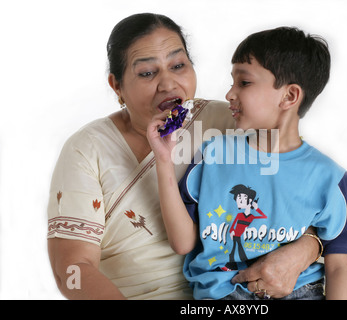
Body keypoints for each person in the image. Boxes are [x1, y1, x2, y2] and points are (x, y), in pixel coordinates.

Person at [47, 13, 321, 300]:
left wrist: (306, 249)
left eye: (178, 65)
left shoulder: (229, 122)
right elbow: (71, 269)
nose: (168, 83)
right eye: (147, 73)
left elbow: (310, 195)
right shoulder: (87, 149)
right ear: (117, 86)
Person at [147, 26, 347, 300]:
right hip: (222, 297)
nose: (229, 93)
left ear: (289, 96)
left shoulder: (330, 178)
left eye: (244, 82)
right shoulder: (213, 155)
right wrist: (164, 159)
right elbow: (182, 243)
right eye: (232, 82)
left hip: (302, 292)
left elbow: (338, 268)